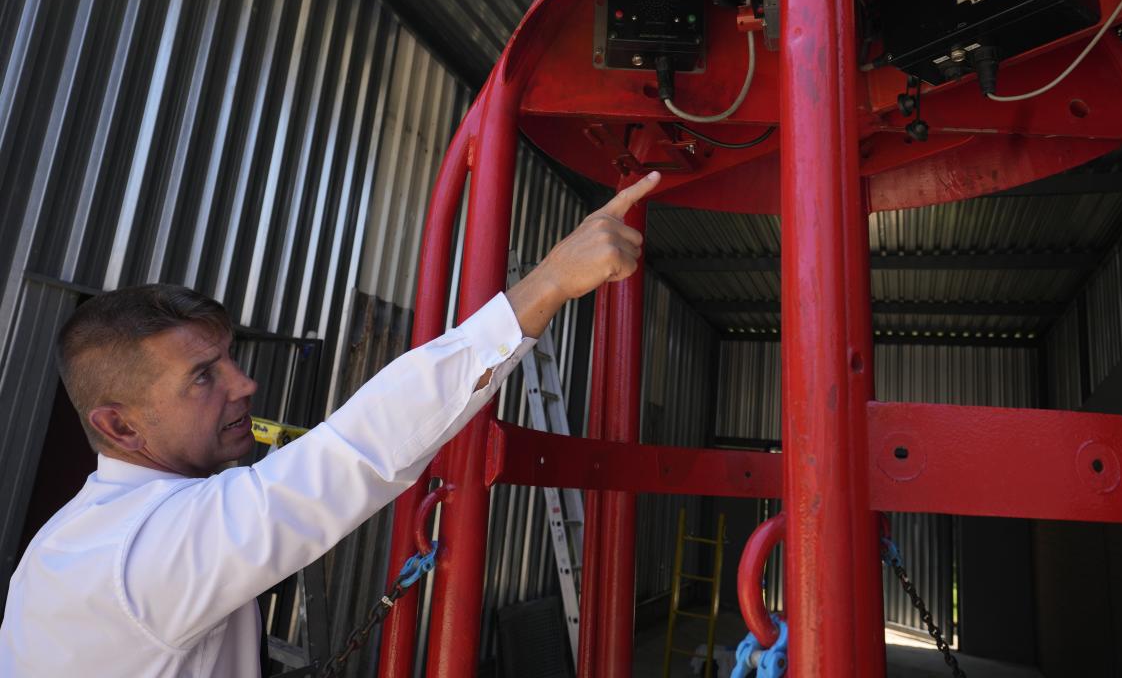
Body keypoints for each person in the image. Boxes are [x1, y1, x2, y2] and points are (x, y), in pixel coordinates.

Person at [0, 171, 660, 676]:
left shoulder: (65, 544)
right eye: (203, 376)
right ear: (120, 427)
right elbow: (357, 450)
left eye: (229, 359)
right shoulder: (145, 551)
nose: (244, 385)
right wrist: (549, 283)